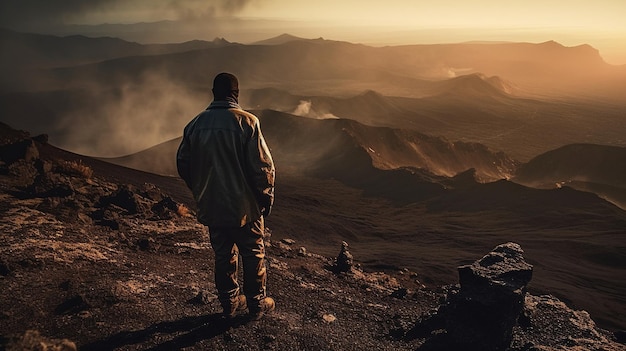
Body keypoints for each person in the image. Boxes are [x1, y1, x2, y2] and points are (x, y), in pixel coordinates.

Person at [176, 72, 276, 321]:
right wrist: (265, 198)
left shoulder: (195, 125)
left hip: (213, 205)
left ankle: (229, 303)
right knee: (253, 253)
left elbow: (183, 163)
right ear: (236, 94)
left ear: (213, 93)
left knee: (223, 255)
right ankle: (256, 304)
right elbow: (263, 167)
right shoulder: (248, 123)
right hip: (245, 207)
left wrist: (201, 190)